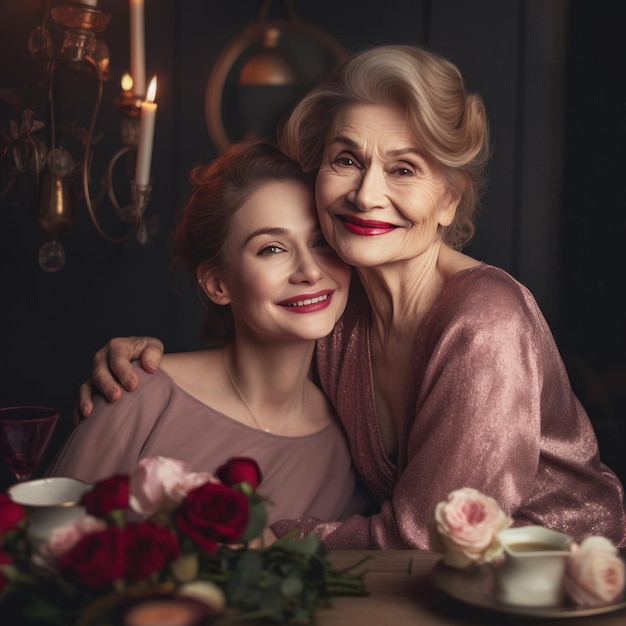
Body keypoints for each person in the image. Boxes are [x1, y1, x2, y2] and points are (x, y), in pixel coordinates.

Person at [78, 45, 626, 549]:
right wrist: (138, 360)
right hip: (419, 591)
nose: (366, 194)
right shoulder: (340, 305)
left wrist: (263, 540)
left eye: (403, 169)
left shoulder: (486, 322)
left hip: (560, 588)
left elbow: (432, 537)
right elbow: (253, 358)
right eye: (346, 160)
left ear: (449, 202)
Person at [48, 137, 362, 526]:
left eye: (321, 242)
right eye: (272, 249)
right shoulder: (137, 395)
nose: (311, 271)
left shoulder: (349, 441)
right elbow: (39, 559)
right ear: (218, 285)